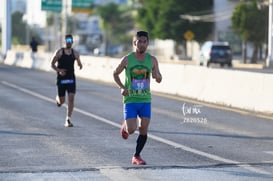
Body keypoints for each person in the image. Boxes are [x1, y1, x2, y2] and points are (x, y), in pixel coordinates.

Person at [113, 31, 162, 165]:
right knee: (132, 130)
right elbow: (115, 73)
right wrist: (122, 87)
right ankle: (125, 127)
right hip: (131, 100)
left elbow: (159, 77)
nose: (142, 44)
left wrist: (157, 76)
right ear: (134, 43)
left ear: (147, 43)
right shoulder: (127, 59)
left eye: (144, 41)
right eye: (139, 41)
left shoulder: (152, 60)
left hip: (145, 99)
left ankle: (136, 155)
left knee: (144, 128)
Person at [51, 34, 83, 127]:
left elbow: (79, 63)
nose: (68, 43)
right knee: (62, 101)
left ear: (72, 42)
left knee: (71, 98)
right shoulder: (59, 52)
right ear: (64, 42)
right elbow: (52, 64)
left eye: (70, 41)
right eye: (67, 41)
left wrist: (80, 65)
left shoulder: (75, 53)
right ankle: (58, 99)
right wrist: (59, 71)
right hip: (61, 79)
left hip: (71, 79)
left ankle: (68, 119)